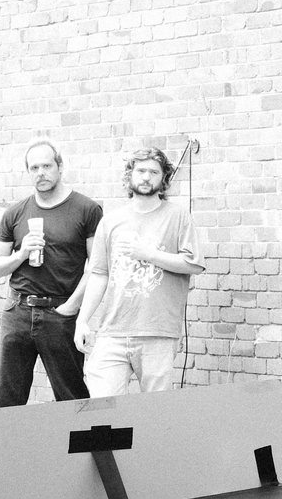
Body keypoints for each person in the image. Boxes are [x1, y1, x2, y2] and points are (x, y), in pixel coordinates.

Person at [76, 146, 203, 396]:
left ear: (163, 178)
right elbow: (99, 274)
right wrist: (82, 320)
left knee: (155, 411)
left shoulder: (178, 216)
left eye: (154, 172)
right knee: (103, 404)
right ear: (129, 175)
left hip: (158, 332)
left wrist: (148, 254)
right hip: (113, 330)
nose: (146, 177)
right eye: (141, 170)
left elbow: (194, 264)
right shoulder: (111, 221)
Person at [0, 139, 105, 405]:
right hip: (18, 312)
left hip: (61, 312)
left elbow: (98, 267)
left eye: (46, 166)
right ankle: (9, 436)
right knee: (9, 399)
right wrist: (21, 254)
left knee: (72, 399)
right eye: (34, 168)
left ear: (60, 166)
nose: (40, 173)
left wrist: (71, 307)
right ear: (28, 172)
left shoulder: (87, 210)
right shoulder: (15, 213)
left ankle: (81, 436)